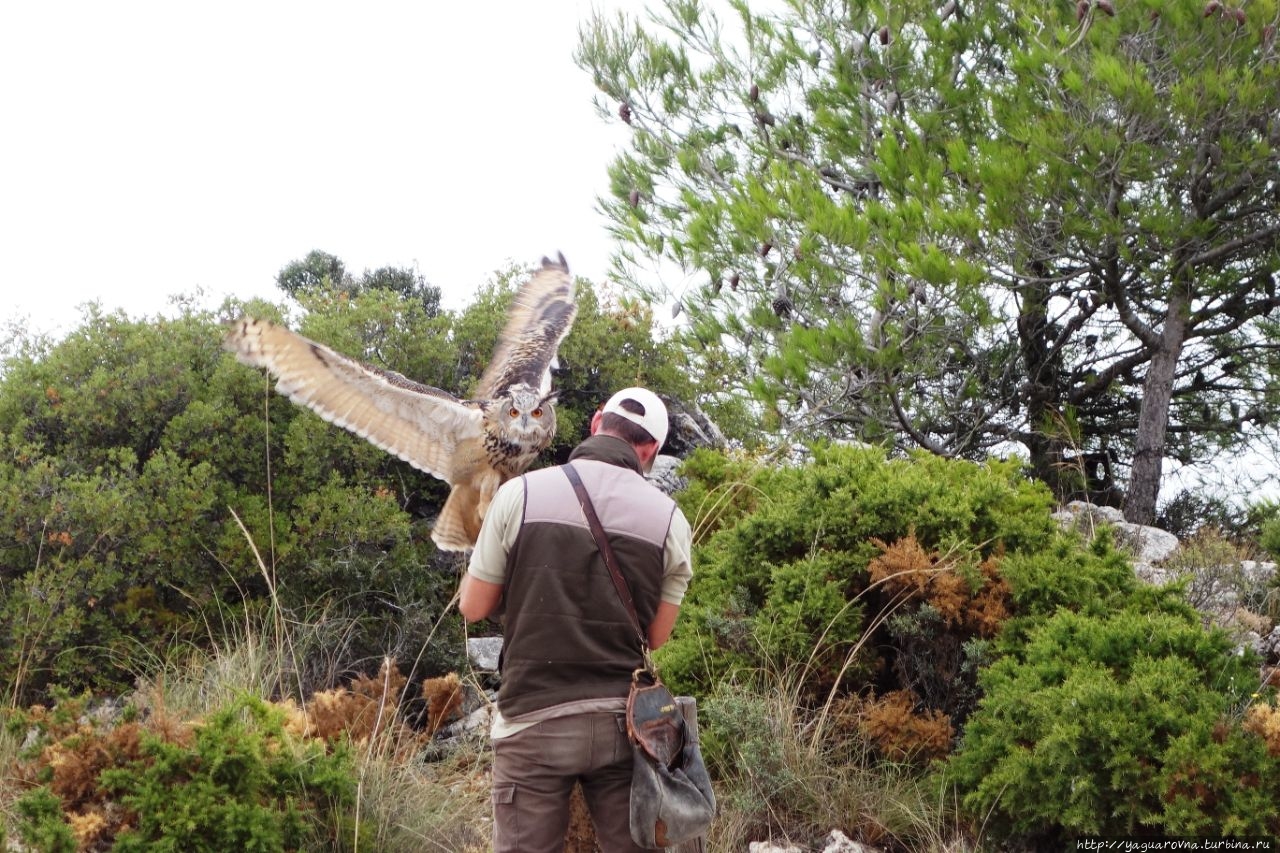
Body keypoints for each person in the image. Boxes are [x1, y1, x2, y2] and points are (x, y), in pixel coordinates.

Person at [458, 386, 694, 853]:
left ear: (595, 422)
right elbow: (657, 637)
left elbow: (473, 606)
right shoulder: (671, 520)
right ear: (651, 450)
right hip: (622, 730)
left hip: (531, 720)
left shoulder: (519, 493)